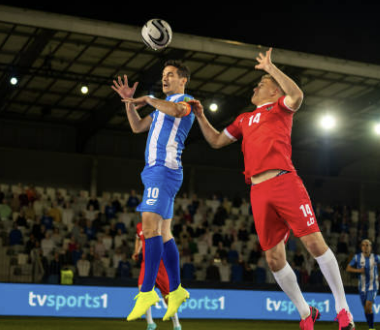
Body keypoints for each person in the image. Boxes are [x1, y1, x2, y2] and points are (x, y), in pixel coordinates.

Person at [188, 47, 355, 330]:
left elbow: (298, 95)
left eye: (261, 84)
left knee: (314, 243)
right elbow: (216, 141)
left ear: (275, 92)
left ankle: (343, 311)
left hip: (284, 181)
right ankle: (306, 314)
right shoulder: (243, 119)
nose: (256, 86)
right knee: (274, 258)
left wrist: (270, 69)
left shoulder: (280, 108)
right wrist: (201, 116)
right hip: (258, 191)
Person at [112, 60, 193, 322]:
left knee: (149, 227)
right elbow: (137, 127)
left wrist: (148, 98)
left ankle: (147, 292)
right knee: (164, 232)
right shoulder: (160, 110)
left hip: (163, 169)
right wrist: (128, 103)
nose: (165, 79)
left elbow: (179, 111)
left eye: (170, 75)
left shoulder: (187, 100)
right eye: (163, 75)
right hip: (155, 172)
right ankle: (177, 289)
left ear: (183, 80)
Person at [133, 222, 181, 330]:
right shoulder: (139, 226)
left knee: (167, 298)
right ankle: (150, 324)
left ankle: (176, 324)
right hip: (147, 265)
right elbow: (138, 238)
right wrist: (137, 251)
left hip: (161, 266)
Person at [346, 239, 380, 330]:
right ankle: (370, 326)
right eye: (363, 245)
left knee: (368, 305)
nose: (365, 247)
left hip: (373, 286)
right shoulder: (357, 257)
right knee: (367, 309)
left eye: (367, 245)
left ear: (371, 247)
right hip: (362, 287)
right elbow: (348, 268)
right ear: (361, 247)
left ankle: (371, 328)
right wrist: (358, 270)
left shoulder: (376, 257)